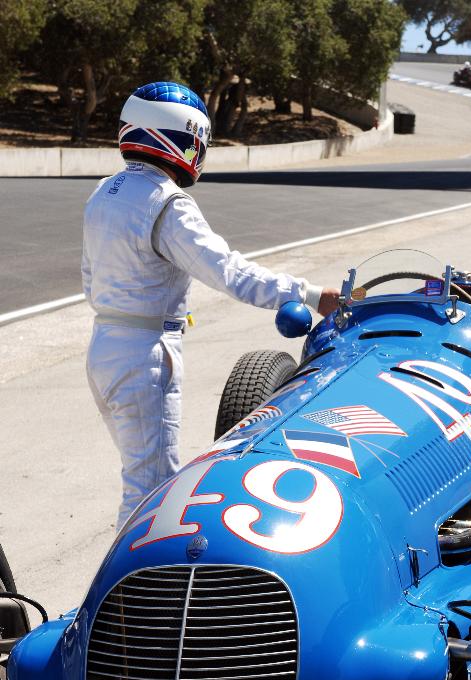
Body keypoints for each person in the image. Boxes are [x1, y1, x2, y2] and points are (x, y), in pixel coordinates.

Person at [81, 81, 340, 533]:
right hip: (145, 353)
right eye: (197, 142)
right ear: (179, 136)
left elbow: (89, 279)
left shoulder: (105, 192)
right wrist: (312, 295)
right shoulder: (167, 202)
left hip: (104, 345)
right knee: (152, 491)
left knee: (138, 478)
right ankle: (133, 599)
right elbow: (231, 273)